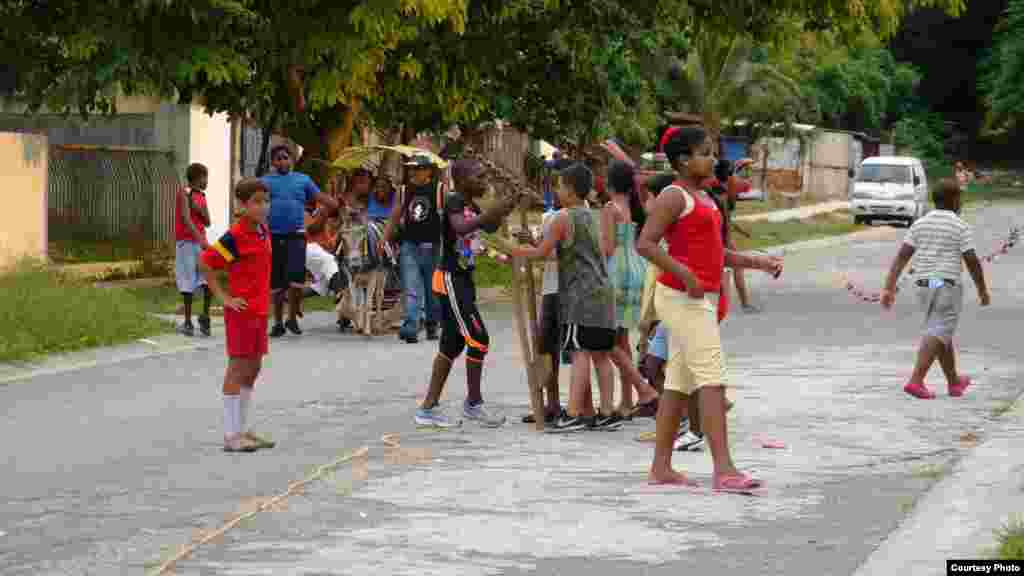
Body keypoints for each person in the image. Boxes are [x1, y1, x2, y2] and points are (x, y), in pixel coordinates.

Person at [636, 126, 782, 490]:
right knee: (712, 378)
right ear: (683, 159)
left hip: (700, 297)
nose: (713, 159)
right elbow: (646, 244)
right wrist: (684, 274)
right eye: (705, 152)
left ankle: (661, 468)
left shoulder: (703, 197)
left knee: (679, 383)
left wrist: (757, 262)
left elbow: (717, 254)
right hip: (683, 299)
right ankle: (725, 470)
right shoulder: (673, 196)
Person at [512, 162, 623, 432]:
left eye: (560, 185)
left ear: (571, 190)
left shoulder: (563, 217)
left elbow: (541, 254)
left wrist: (511, 250)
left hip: (580, 296)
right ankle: (607, 412)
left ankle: (573, 414)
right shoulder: (590, 215)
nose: (557, 190)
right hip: (603, 292)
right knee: (601, 355)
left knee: (580, 353)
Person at [414, 159, 519, 428]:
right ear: (462, 180)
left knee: (452, 343)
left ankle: (428, 408)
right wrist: (490, 212)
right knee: (479, 338)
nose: (484, 181)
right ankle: (473, 404)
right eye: (479, 176)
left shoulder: (471, 204)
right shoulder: (453, 201)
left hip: (462, 280)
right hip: (450, 279)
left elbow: (490, 227)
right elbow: (461, 228)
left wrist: (506, 206)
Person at [881, 178, 990, 399]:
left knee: (940, 330)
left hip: (923, 284)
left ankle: (954, 382)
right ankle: (916, 380)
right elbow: (971, 260)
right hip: (945, 284)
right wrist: (982, 289)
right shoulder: (960, 226)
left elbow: (901, 257)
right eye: (960, 198)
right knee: (939, 329)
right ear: (954, 200)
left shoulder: (920, 223)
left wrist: (889, 288)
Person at [199, 178, 276, 453]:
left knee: (254, 368)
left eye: (266, 201)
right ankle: (231, 435)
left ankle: (243, 429)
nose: (263, 207)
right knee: (238, 368)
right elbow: (206, 262)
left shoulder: (263, 231)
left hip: (260, 311)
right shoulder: (235, 235)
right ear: (242, 205)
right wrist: (224, 298)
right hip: (242, 313)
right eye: (256, 201)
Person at [602, 160, 660, 418]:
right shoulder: (634, 207)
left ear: (609, 182)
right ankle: (626, 402)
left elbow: (607, 248)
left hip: (616, 270)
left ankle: (642, 388)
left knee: (606, 339)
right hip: (636, 269)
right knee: (622, 337)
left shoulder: (609, 208)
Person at [262, 145, 338, 338]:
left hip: (297, 236)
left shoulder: (303, 180)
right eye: (278, 158)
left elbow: (320, 198)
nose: (282, 161)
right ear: (273, 162)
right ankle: (278, 322)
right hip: (275, 236)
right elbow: (253, 200)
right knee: (277, 282)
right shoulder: (265, 182)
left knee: (296, 280)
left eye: (285, 157)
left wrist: (334, 204)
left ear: (292, 160)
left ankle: (292, 319)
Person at [518, 196, 566, 424]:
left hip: (560, 289)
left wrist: (533, 246)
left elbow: (554, 253)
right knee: (547, 349)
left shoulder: (568, 217)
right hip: (552, 287)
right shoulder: (551, 216)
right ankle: (553, 402)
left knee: (556, 348)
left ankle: (570, 406)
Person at [386, 155, 443, 344]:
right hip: (410, 245)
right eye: (411, 169)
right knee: (411, 287)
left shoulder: (440, 190)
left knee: (431, 289)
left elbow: (447, 218)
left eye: (417, 169)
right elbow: (395, 215)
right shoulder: (403, 191)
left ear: (428, 171)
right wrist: (383, 239)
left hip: (433, 246)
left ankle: (432, 323)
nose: (413, 172)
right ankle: (411, 325)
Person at [175, 163, 213, 337]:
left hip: (199, 243)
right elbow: (185, 218)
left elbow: (207, 221)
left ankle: (205, 316)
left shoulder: (201, 196)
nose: (207, 181)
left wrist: (197, 208)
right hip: (186, 242)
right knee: (188, 279)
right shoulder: (184, 193)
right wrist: (200, 239)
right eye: (205, 177)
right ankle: (188, 322)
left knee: (206, 278)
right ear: (197, 177)